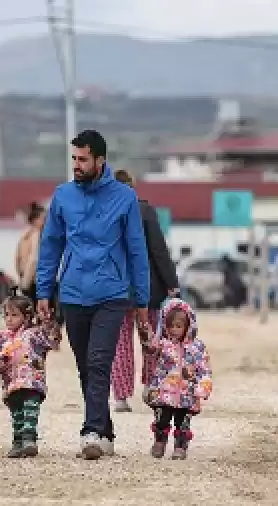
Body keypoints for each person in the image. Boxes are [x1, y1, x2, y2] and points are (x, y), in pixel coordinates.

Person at [35, 129, 151, 460]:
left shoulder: (125, 198)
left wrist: (141, 300)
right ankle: (106, 430)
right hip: (72, 293)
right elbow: (51, 245)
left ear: (100, 160)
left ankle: (92, 431)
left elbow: (136, 251)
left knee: (100, 363)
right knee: (86, 367)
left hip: (112, 294)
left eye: (82, 159)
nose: (76, 165)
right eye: (74, 158)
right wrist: (45, 290)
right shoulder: (62, 196)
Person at [111, 169, 179, 413]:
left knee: (120, 342)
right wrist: (172, 282)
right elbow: (158, 250)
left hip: (116, 289)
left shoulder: (106, 212)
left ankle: (120, 396)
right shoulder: (145, 211)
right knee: (149, 339)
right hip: (147, 289)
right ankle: (151, 387)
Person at [0, 291, 61, 458]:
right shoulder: (0, 338)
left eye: (14, 315)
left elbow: (52, 340)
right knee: (17, 414)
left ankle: (29, 439)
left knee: (30, 409)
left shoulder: (34, 334)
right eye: (6, 315)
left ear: (26, 317)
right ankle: (18, 441)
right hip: (11, 384)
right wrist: (2, 358)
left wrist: (49, 321)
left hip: (32, 381)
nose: (9, 319)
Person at [141, 297, 213, 460]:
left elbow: (204, 368)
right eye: (171, 326)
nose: (174, 330)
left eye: (179, 326)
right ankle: (159, 442)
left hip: (187, 394)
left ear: (188, 325)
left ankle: (180, 446)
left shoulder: (197, 347)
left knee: (183, 422)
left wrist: (204, 385)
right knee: (162, 419)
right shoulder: (163, 344)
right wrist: (146, 330)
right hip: (165, 392)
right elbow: (150, 350)